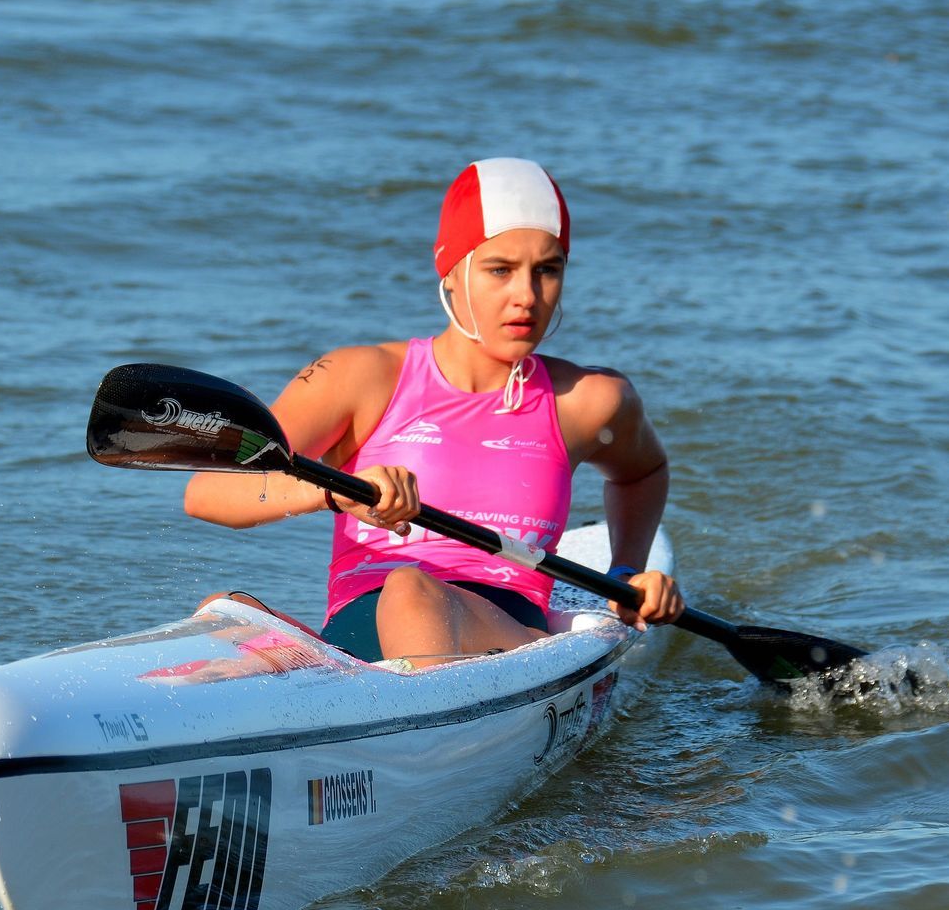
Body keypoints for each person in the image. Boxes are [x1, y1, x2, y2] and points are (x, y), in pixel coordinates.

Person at [183, 157, 683, 668]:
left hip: (505, 633)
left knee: (409, 591)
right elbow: (207, 493)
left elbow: (642, 472)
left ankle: (402, 709)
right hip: (352, 643)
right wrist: (332, 492)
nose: (527, 296)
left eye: (547, 270)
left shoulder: (588, 400)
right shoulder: (361, 377)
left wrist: (625, 573)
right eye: (500, 270)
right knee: (225, 615)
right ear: (451, 270)